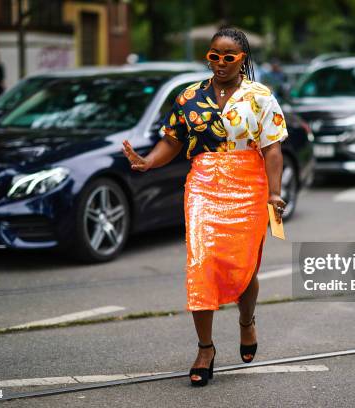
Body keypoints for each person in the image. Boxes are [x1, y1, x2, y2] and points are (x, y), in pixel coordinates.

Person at [122, 27, 288, 387]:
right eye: (215, 55)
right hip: (204, 183)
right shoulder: (189, 97)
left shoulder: (260, 97)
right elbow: (173, 140)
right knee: (201, 264)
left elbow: (273, 149)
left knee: (243, 267)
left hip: (248, 184)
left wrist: (274, 194)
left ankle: (246, 323)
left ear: (243, 59)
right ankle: (205, 348)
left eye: (229, 56)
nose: (221, 63)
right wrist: (148, 162)